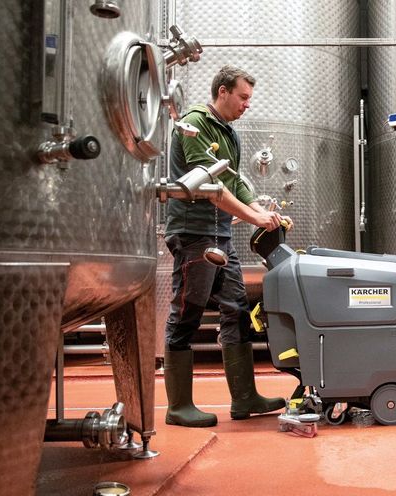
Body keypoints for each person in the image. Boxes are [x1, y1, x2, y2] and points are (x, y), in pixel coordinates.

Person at [163, 65, 290, 427]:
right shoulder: (196, 123)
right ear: (223, 92)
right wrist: (255, 219)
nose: (247, 104)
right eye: (243, 97)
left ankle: (244, 397)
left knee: (235, 309)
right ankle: (178, 407)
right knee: (187, 313)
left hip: (218, 234)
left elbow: (235, 182)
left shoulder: (227, 132)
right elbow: (211, 189)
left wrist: (262, 210)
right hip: (194, 234)